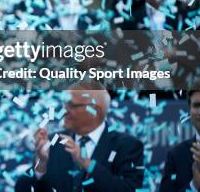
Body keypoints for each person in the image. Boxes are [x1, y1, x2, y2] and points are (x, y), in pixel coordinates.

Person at [15, 80, 144, 192]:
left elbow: (129, 189)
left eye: (71, 105)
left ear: (94, 110)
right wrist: (41, 165)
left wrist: (88, 164)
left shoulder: (126, 146)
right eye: (64, 104)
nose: (64, 110)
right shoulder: (54, 142)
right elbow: (22, 188)